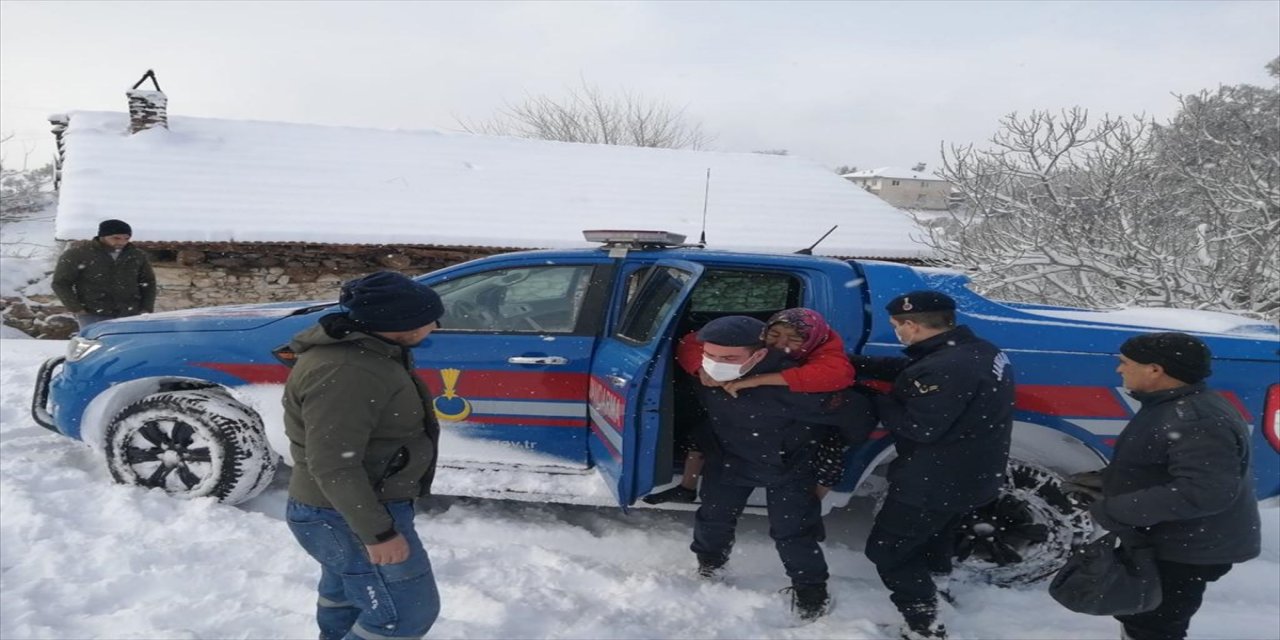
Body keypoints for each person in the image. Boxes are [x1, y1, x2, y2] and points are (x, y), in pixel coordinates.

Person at [282, 271, 446, 640]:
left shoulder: (371, 353)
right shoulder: (348, 371)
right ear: (395, 323)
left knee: (351, 597)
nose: (435, 325)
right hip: (348, 512)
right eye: (427, 318)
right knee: (404, 616)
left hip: (348, 506)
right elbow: (334, 463)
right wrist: (379, 533)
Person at [689, 315, 875, 622]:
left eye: (729, 358)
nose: (716, 363)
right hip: (730, 457)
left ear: (760, 353)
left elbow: (857, 413)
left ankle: (811, 592)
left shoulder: (799, 382)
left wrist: (834, 442)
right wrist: (699, 364)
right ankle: (710, 563)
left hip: (788, 464)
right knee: (713, 517)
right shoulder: (704, 373)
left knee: (792, 532)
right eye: (711, 355)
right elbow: (685, 346)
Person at [850, 291, 1014, 640]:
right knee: (934, 539)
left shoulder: (945, 366)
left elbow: (918, 426)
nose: (897, 332)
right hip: (973, 474)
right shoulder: (979, 350)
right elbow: (918, 373)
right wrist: (859, 365)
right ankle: (937, 590)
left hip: (933, 480)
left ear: (911, 325)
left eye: (897, 326)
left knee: (887, 550)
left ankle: (924, 624)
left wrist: (874, 398)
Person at [1076, 332, 1260, 640]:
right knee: (1142, 620)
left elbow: (1204, 492)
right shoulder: (1173, 405)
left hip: (1185, 549)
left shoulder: (1193, 418)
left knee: (1153, 628)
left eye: (1125, 363)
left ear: (1155, 369)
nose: (1119, 369)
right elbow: (1163, 467)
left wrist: (1115, 509)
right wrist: (1109, 482)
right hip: (1172, 540)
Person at [645, 308, 857, 504]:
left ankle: (811, 506)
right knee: (703, 434)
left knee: (828, 462)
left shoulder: (824, 348)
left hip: (800, 424)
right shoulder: (755, 336)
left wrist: (758, 380)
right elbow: (692, 343)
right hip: (745, 416)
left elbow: (836, 375)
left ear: (813, 339)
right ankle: (687, 486)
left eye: (793, 339)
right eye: (774, 336)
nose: (781, 344)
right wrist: (701, 368)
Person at [51, 218, 156, 330]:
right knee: (96, 345)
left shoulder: (137, 255)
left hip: (130, 313)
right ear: (102, 236)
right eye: (116, 238)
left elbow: (148, 282)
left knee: (128, 346)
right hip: (93, 313)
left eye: (126, 238)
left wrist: (146, 308)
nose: (121, 242)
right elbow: (61, 283)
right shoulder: (78, 254)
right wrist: (77, 309)